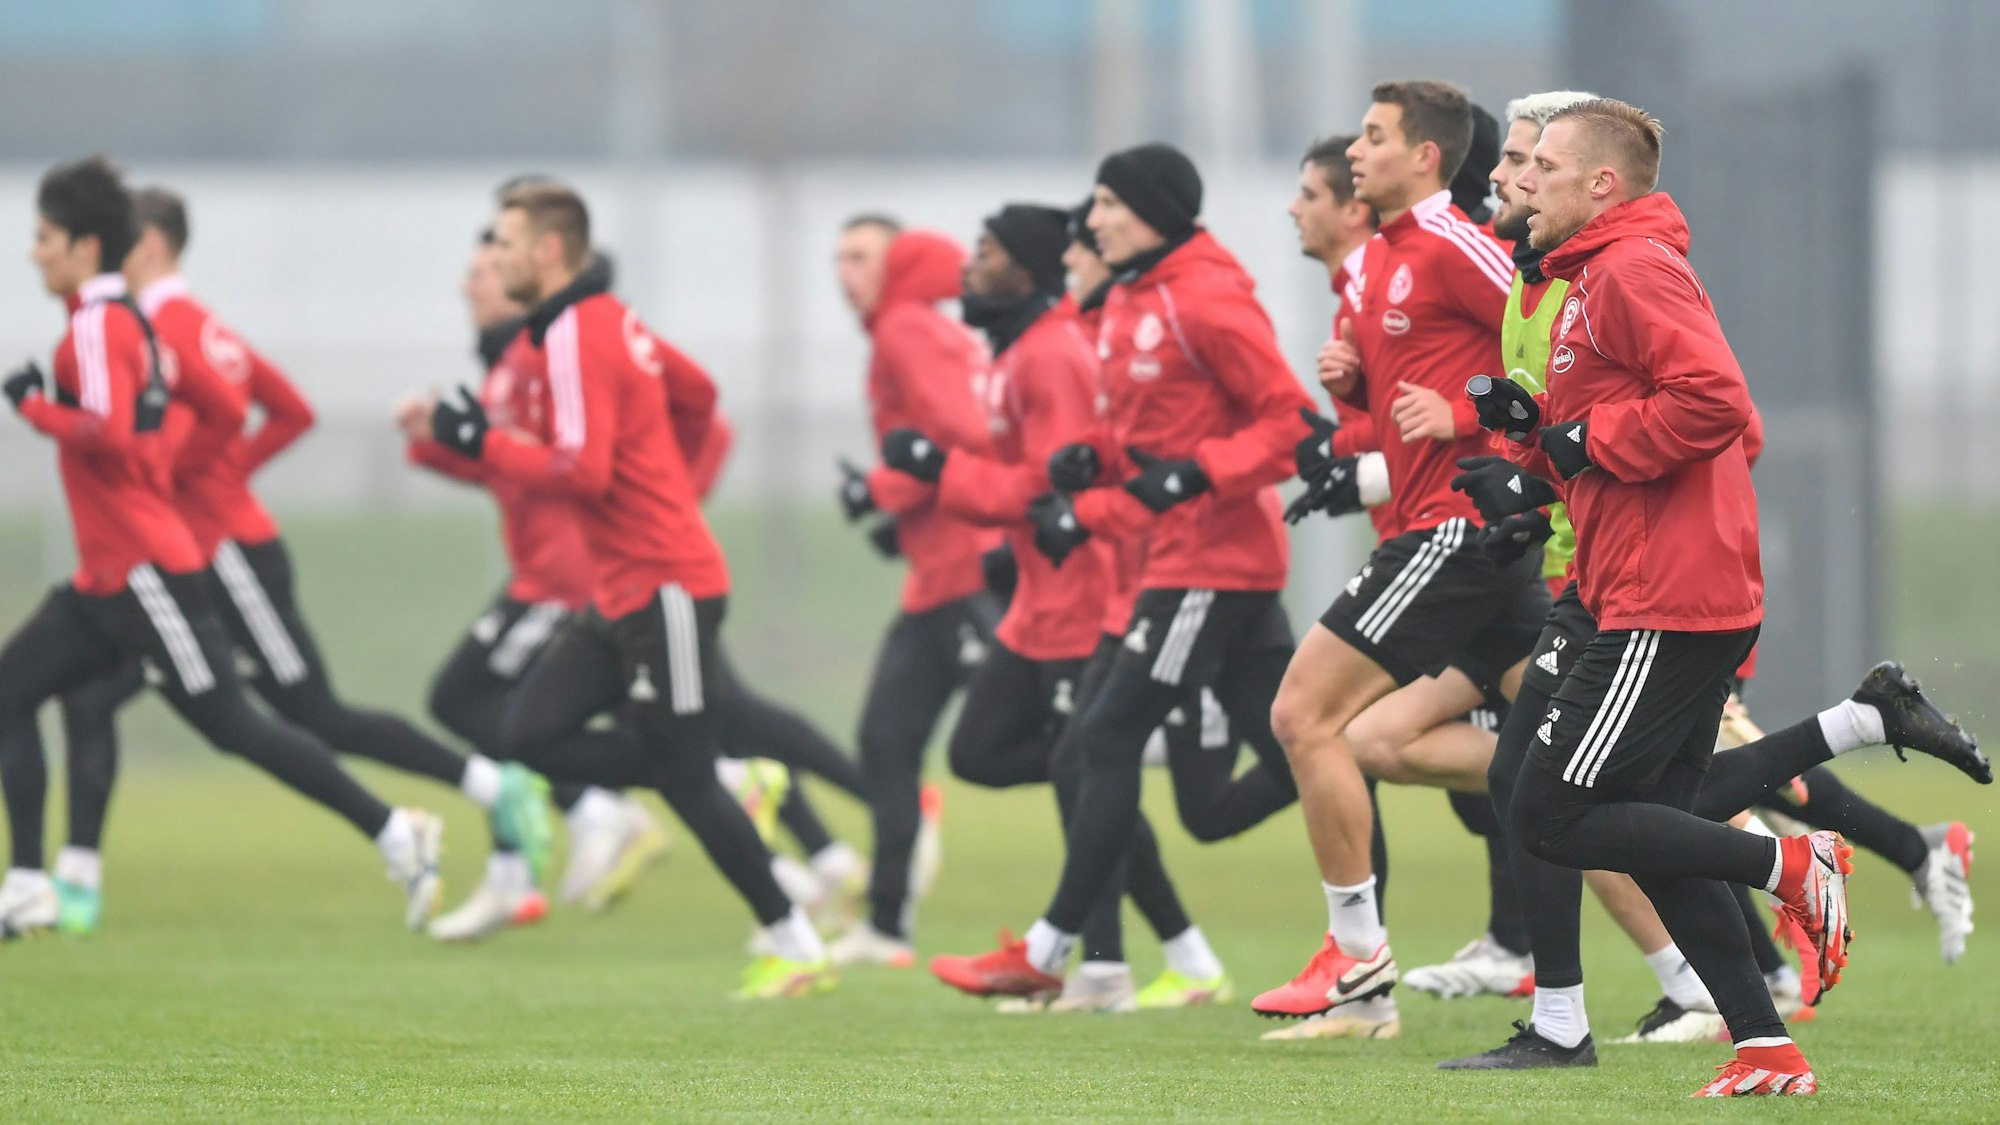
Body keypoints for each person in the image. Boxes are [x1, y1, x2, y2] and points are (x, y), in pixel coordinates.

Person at [39, 187, 549, 940]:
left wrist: (203, 479)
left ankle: (490, 784)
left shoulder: (166, 326)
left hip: (223, 552)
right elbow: (280, 411)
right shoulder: (175, 322)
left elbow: (254, 415)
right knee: (88, 697)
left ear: (146, 247)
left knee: (311, 714)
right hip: (166, 559)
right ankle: (73, 881)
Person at [418, 180, 829, 997]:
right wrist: (660, 476)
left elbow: (582, 470)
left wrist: (488, 445)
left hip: (668, 582)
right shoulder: (604, 320)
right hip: (622, 588)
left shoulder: (572, 331)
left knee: (678, 775)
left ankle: (794, 940)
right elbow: (698, 394)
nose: (492, 258)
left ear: (549, 249)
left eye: (503, 242)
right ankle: (729, 774)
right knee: (529, 730)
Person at [930, 142, 1307, 1005]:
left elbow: (1288, 425)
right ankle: (1359, 954)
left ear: (1151, 211)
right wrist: (1086, 465)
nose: (1088, 227)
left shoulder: (1203, 299)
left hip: (1205, 561)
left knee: (1097, 742)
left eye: (1103, 207)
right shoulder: (1137, 300)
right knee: (1296, 753)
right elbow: (1143, 438)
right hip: (1178, 560)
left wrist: (1190, 475)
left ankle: (1058, 952)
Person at [1256, 80, 1549, 1026]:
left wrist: (1463, 412)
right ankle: (1697, 976)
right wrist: (1352, 395)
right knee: (1567, 768)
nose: (1355, 154)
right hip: (1457, 539)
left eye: (1374, 137)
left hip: (1457, 534)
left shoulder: (1457, 244)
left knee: (1306, 716)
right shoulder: (1379, 258)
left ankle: (1358, 961)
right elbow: (1397, 421)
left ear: (1425, 155)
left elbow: (1555, 351)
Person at [903, 203, 1229, 1011]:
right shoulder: (1018, 347)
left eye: (985, 250)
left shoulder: (1050, 351)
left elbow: (1056, 477)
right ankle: (1174, 954)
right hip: (1036, 601)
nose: (968, 267)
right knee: (998, 754)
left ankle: (1113, 968)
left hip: (1081, 595)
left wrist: (941, 473)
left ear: (1029, 264)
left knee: (1081, 767)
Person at [404, 227, 666, 935]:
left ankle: (591, 811)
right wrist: (438, 444)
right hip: (540, 572)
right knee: (489, 707)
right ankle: (518, 870)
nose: (471, 285)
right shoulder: (506, 364)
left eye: (486, 271)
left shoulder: (545, 355)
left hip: (565, 574)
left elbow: (567, 464)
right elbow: (507, 466)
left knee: (476, 700)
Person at [830, 217, 1000, 965]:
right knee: (884, 740)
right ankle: (886, 926)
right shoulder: (931, 328)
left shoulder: (903, 327)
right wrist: (898, 513)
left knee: (1064, 747)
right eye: (838, 257)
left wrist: (879, 487)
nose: (845, 271)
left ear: (898, 263)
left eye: (862, 255)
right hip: (937, 575)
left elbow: (962, 437)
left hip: (970, 572)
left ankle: (1135, 941)